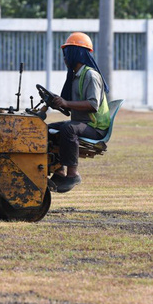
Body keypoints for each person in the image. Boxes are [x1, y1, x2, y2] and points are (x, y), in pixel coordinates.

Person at [48, 32, 111, 193]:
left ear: (76, 53)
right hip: (82, 123)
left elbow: (92, 104)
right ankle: (59, 170)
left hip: (95, 127)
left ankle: (73, 174)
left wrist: (67, 103)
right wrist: (60, 104)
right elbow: (71, 107)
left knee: (68, 129)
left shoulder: (90, 75)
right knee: (45, 128)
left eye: (67, 53)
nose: (64, 57)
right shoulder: (76, 76)